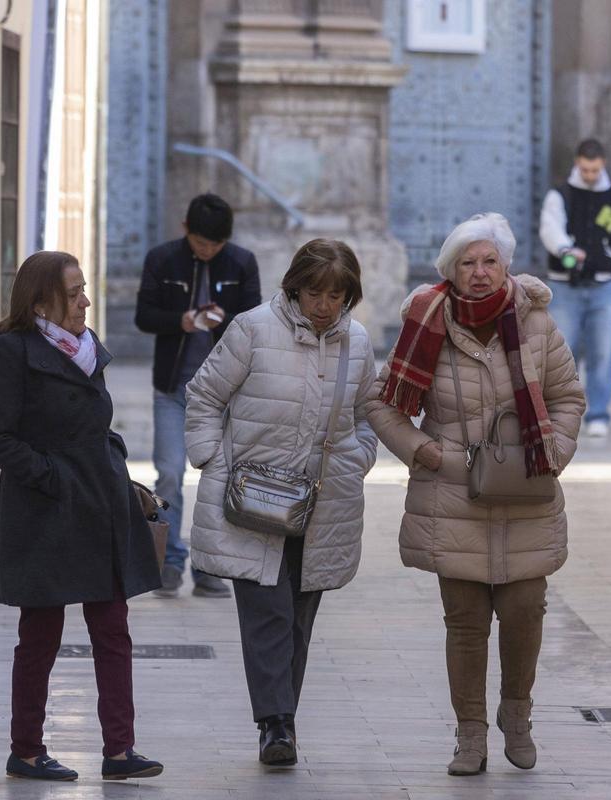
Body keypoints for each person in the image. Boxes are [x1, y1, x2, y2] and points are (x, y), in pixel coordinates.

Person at [366, 213, 585, 776]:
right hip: (452, 495)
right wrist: (425, 452)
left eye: (490, 261)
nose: (480, 273)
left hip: (527, 493)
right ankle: (470, 735)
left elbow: (567, 395)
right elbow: (382, 403)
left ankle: (517, 715)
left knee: (523, 612)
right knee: (464, 622)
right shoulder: (425, 324)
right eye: (468, 263)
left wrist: (553, 450)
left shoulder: (536, 324)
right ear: (451, 271)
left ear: (507, 265)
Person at [184, 239, 378, 766]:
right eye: (315, 292)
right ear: (295, 286)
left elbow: (368, 412)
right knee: (267, 611)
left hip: (323, 504)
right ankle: (276, 725)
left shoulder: (357, 343)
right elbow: (204, 395)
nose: (324, 305)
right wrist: (208, 457)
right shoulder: (252, 329)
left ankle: (282, 719)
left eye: (336, 295)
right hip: (252, 501)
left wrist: (359, 457)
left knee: (298, 617)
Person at [0, 251, 164, 782]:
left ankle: (120, 751)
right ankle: (27, 750)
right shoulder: (13, 352)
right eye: (74, 292)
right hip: (46, 512)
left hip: (101, 504)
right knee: (41, 634)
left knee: (113, 629)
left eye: (85, 289)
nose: (86, 301)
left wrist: (115, 464)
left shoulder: (87, 350)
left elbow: (91, 424)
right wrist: (53, 476)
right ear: (40, 302)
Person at [135, 192, 261, 598]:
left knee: (219, 481)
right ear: (185, 229)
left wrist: (222, 324)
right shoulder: (162, 259)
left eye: (216, 245)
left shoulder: (242, 262)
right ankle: (169, 561)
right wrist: (184, 321)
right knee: (170, 474)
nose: (208, 251)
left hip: (224, 395)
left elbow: (255, 324)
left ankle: (209, 567)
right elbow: (144, 316)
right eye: (201, 243)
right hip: (172, 389)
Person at [539, 137, 611, 439]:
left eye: (594, 170)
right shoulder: (560, 195)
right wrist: (566, 250)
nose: (590, 175)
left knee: (603, 352)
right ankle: (560, 412)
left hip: (604, 287)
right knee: (561, 353)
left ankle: (598, 413)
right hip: (565, 286)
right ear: (577, 164)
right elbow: (549, 228)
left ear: (602, 164)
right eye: (585, 169)